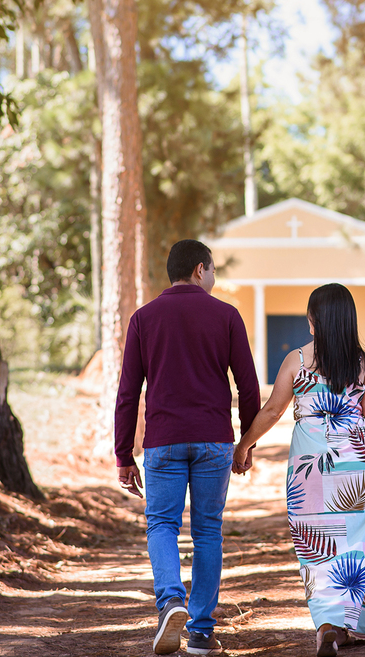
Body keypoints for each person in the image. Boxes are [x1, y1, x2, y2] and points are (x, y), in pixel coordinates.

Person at [114, 239, 261, 656]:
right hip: (215, 440)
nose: (214, 279)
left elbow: (128, 393)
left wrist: (124, 454)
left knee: (162, 524)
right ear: (200, 269)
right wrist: (246, 442)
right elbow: (247, 386)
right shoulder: (227, 316)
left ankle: (170, 602)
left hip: (163, 442)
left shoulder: (144, 319)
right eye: (213, 271)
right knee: (207, 531)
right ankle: (199, 633)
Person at [233, 283, 365, 657]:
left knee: (317, 545)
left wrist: (243, 445)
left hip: (310, 470)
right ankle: (347, 626)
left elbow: (273, 411)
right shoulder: (364, 363)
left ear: (314, 321)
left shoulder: (297, 361)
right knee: (359, 546)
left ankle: (327, 623)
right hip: (359, 465)